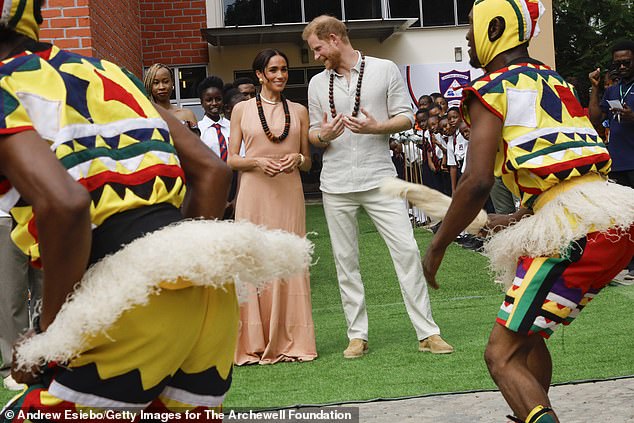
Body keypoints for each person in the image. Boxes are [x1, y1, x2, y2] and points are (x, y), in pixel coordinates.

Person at [0, 0, 237, 417]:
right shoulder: (110, 72)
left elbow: (65, 204)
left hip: (124, 298)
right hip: (205, 289)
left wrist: (49, 338)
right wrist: (168, 270)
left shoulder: (5, 86)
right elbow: (213, 172)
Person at [422, 1, 634, 421]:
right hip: (615, 219)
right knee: (529, 338)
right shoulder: (555, 82)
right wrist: (521, 215)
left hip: (575, 230)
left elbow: (476, 181)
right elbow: (565, 167)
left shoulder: (491, 89)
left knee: (500, 357)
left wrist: (438, 244)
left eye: (471, 27)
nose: (467, 38)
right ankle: (532, 412)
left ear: (494, 28)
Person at [303, 15, 453, 359]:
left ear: (333, 38)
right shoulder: (315, 84)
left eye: (317, 48)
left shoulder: (384, 69)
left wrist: (376, 127)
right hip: (336, 182)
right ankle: (357, 335)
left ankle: (428, 333)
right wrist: (322, 136)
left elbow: (406, 116)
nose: (315, 56)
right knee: (346, 261)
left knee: (407, 251)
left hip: (380, 177)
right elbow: (313, 132)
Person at [228, 49, 316, 365]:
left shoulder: (300, 111)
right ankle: (252, 342)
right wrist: (256, 163)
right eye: (273, 70)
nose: (280, 75)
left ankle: (293, 340)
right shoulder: (240, 110)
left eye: (284, 70)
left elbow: (307, 163)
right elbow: (232, 159)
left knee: (289, 261)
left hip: (289, 195)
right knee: (253, 261)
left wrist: (299, 159)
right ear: (260, 75)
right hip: (253, 194)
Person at [588, 39, 634, 280]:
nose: (622, 67)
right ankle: (624, 263)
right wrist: (596, 88)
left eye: (626, 62)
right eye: (618, 63)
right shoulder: (613, 89)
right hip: (616, 162)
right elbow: (595, 118)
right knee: (620, 217)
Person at [0, 212, 42, 391]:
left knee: (47, 291)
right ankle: (14, 366)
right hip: (6, 216)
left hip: (43, 213)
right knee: (12, 294)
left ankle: (48, 360)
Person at [143, 63, 200, 134]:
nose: (161, 87)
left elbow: (196, 143)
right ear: (149, 85)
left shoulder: (187, 114)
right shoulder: (144, 116)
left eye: (166, 81)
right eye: (156, 83)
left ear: (172, 83)